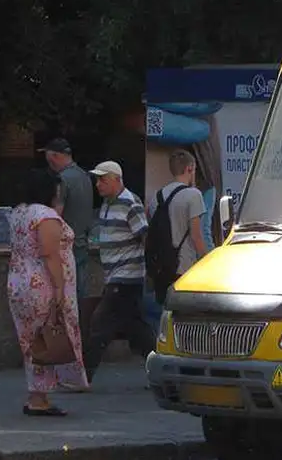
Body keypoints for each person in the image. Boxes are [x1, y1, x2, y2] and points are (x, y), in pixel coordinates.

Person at [7, 170, 89, 416]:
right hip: (41, 284)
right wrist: (60, 288)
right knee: (48, 335)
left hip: (19, 282)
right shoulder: (45, 216)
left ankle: (38, 394)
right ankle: (39, 397)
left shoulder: (18, 212)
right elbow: (50, 254)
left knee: (32, 340)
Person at [82, 161, 157, 382]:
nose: (98, 184)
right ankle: (161, 369)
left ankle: (84, 376)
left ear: (116, 179)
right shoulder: (107, 204)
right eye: (97, 180)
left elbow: (145, 236)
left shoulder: (129, 203)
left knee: (99, 323)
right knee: (136, 330)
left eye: (102, 179)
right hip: (115, 275)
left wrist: (149, 270)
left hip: (126, 276)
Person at [37, 138, 100, 347]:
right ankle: (81, 344)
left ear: (55, 156)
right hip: (82, 243)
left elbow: (57, 215)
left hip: (65, 248)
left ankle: (65, 346)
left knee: (63, 300)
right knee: (79, 297)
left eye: (49, 158)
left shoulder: (62, 180)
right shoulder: (85, 177)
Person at [146, 150, 208, 303]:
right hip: (183, 266)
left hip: (161, 266)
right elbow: (196, 235)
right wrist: (207, 260)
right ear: (190, 168)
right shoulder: (194, 195)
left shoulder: (157, 196)